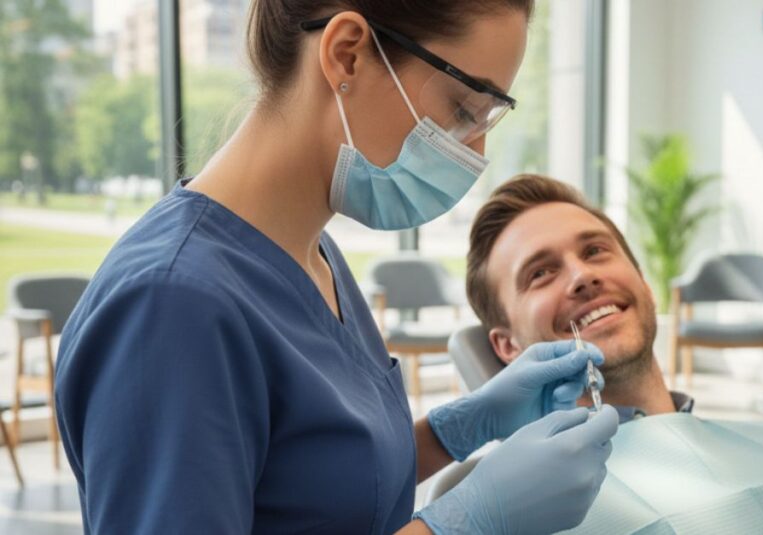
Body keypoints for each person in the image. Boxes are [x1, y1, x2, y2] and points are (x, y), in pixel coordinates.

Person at [54, 3, 619, 534]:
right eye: (465, 108)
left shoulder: (312, 254)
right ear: (347, 54)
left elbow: (315, 488)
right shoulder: (171, 307)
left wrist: (461, 428)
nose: (476, 147)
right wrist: (465, 523)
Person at [461, 174, 763, 533]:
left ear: (644, 285)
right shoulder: (517, 513)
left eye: (595, 250)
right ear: (507, 346)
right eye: (541, 273)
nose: (583, 277)